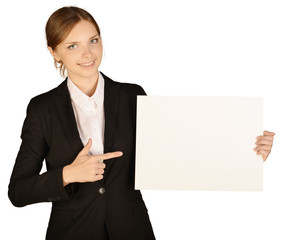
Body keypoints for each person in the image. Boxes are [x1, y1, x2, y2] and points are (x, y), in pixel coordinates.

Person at [8, 6, 274, 240]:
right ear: (54, 52)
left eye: (93, 40)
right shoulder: (42, 108)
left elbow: (175, 155)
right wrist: (68, 175)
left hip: (131, 229)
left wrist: (245, 154)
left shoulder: (131, 95)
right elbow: (18, 192)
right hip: (72, 232)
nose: (88, 53)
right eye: (72, 45)